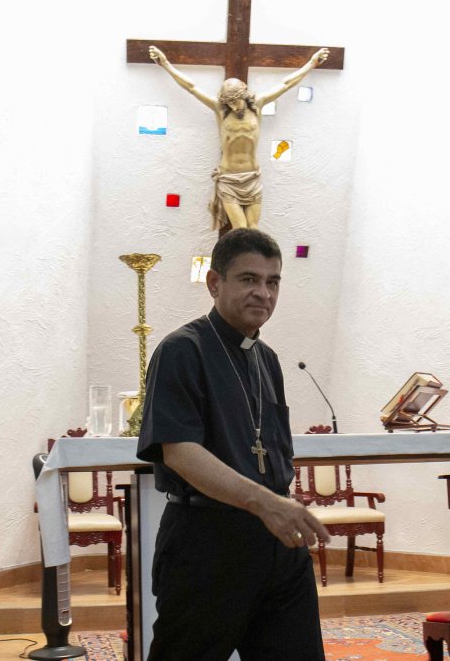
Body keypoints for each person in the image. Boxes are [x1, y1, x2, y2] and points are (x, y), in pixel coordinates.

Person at [137, 228, 330, 660]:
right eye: (248, 279)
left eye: (273, 281)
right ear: (214, 282)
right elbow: (180, 452)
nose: (263, 293)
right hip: (207, 545)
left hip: (279, 545)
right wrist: (266, 503)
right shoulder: (181, 351)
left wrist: (279, 504)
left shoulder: (268, 359)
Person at [149, 45, 330, 233]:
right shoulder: (220, 109)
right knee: (240, 229)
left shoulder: (257, 106)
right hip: (229, 178)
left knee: (253, 229)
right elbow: (191, 87)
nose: (233, 106)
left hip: (252, 177)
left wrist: (311, 63)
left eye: (236, 101)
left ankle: (253, 262)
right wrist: (165, 64)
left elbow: (286, 84)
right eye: (229, 102)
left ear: (244, 96)